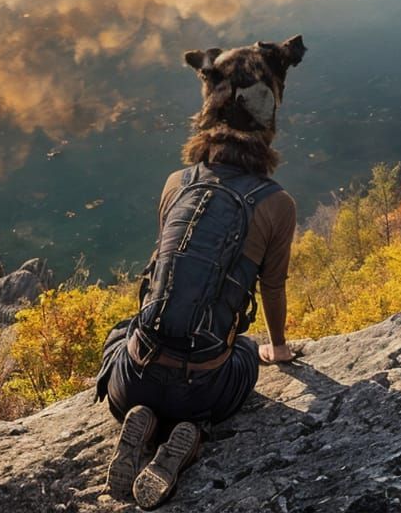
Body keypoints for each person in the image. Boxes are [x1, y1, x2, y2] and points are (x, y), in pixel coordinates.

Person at [101, 36, 306, 507]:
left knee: (121, 333)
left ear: (208, 111)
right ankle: (191, 435)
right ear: (267, 115)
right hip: (207, 386)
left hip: (134, 377)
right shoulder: (276, 205)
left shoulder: (177, 182)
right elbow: (272, 288)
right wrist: (277, 348)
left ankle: (147, 419)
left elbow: (165, 273)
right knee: (246, 354)